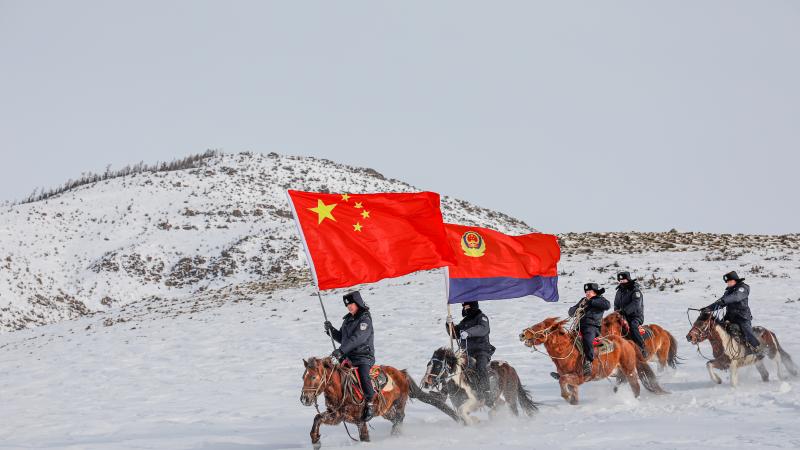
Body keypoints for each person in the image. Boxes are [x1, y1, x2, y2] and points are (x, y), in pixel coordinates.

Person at [324, 291, 376, 421]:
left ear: (358, 303)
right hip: (348, 358)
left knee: (363, 375)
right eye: (347, 305)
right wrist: (331, 330)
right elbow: (343, 339)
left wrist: (341, 351)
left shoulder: (365, 319)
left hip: (363, 356)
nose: (349, 307)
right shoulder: (347, 320)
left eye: (351, 304)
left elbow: (357, 338)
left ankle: (370, 402)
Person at [701, 271, 764, 359]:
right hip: (730, 317)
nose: (728, 283)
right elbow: (720, 303)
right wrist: (707, 309)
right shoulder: (728, 292)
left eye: (730, 281)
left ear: (735, 280)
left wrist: (724, 301)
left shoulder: (743, 288)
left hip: (742, 317)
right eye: (727, 282)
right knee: (719, 329)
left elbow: (736, 296)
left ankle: (758, 349)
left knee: (747, 332)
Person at [446, 301, 496, 406]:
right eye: (464, 307)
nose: (465, 309)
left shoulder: (482, 317)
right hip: (467, 352)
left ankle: (486, 392)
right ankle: (443, 393)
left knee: (481, 367)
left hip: (481, 351)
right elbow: (455, 334)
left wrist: (469, 332)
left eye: (467, 306)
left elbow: (483, 329)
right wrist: (449, 325)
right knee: (455, 367)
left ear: (473, 306)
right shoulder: (464, 321)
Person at [569, 283, 611, 377]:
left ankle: (588, 361)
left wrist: (591, 302)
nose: (587, 293)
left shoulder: (600, 300)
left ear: (595, 292)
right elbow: (573, 309)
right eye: (586, 291)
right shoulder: (583, 300)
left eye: (590, 291)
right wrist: (573, 310)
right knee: (568, 340)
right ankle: (567, 366)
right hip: (579, 326)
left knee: (587, 339)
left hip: (592, 327)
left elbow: (607, 306)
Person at [614, 271, 647, 357]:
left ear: (628, 280)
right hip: (623, 316)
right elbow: (616, 304)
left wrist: (624, 311)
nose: (622, 282)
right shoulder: (619, 291)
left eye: (624, 280)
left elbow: (636, 304)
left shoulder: (635, 291)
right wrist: (616, 313)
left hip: (635, 316)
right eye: (620, 281)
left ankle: (642, 347)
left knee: (633, 325)